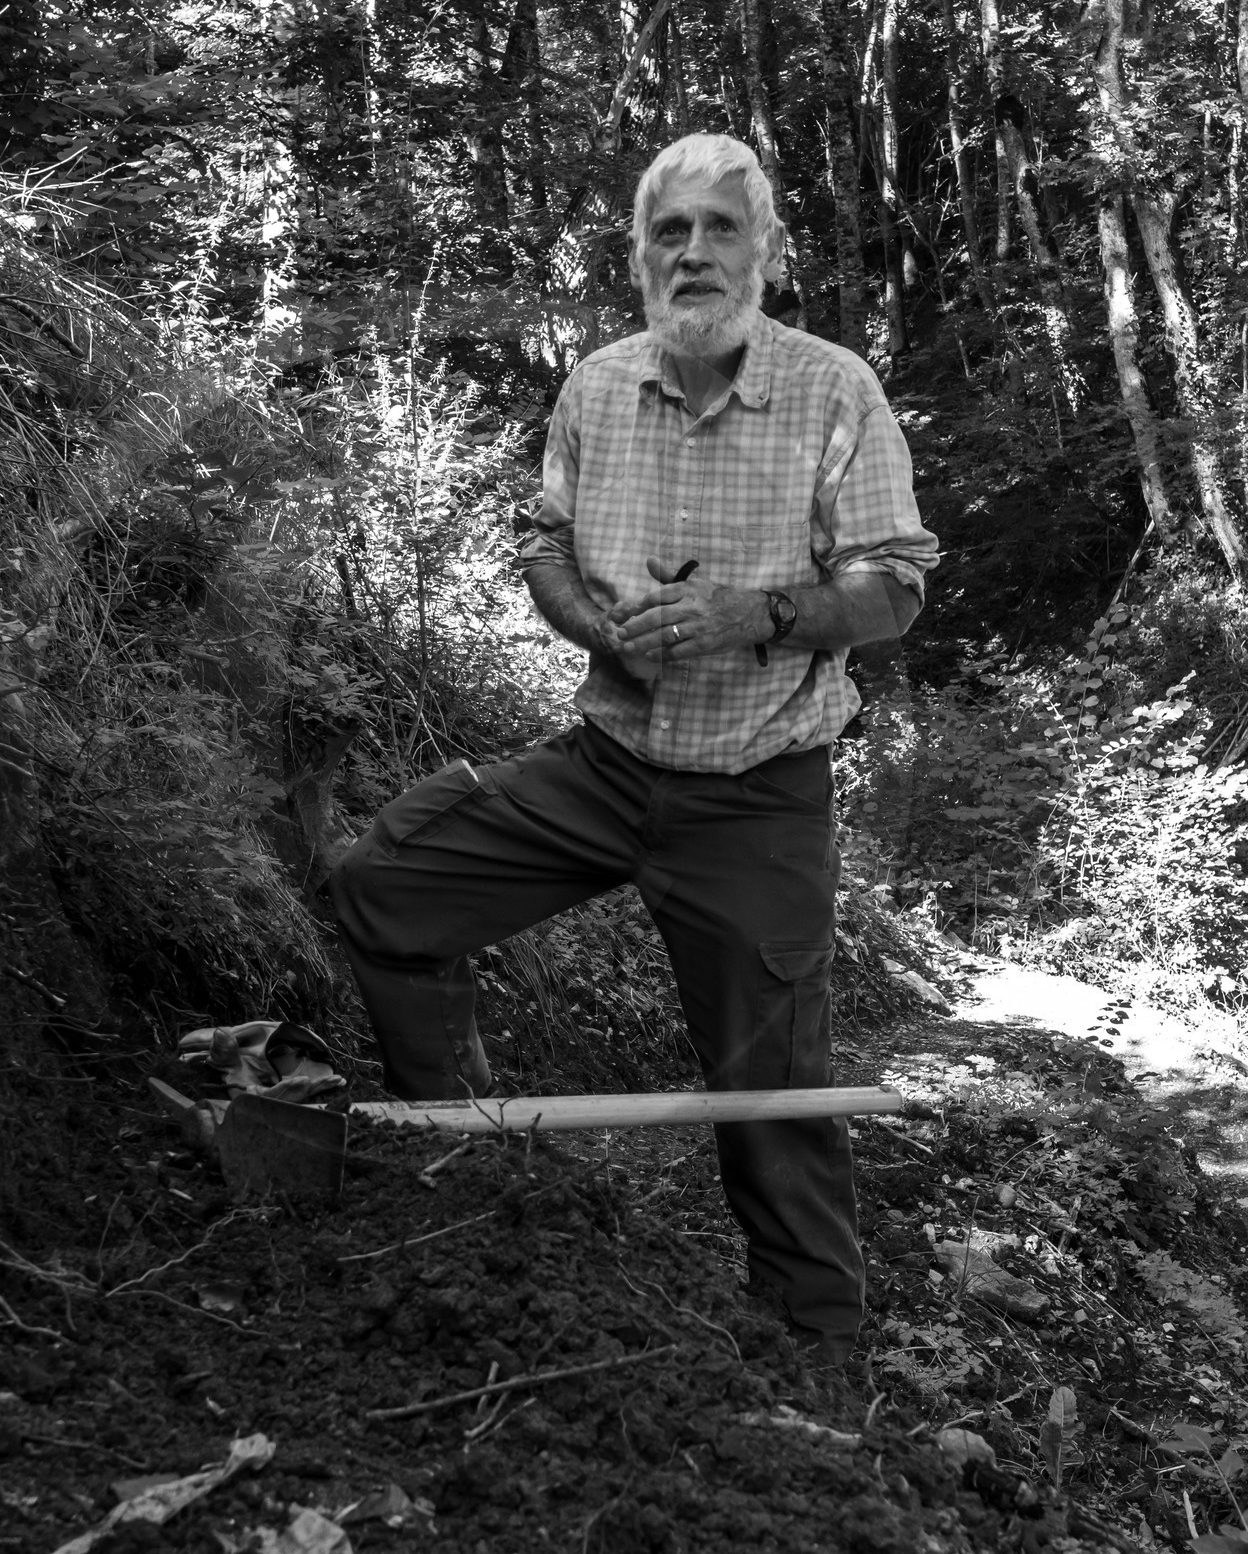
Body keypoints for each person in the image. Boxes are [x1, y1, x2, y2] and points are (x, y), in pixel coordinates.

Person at [328, 133, 939, 1365]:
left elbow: (894, 593)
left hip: (759, 798)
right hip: (602, 770)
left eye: (722, 229)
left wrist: (751, 615)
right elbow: (544, 545)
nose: (696, 253)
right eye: (673, 232)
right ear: (641, 254)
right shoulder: (598, 385)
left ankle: (819, 1351)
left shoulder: (834, 391)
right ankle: (466, 1159)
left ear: (764, 252)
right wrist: (588, 616)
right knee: (383, 888)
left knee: (770, 1090)